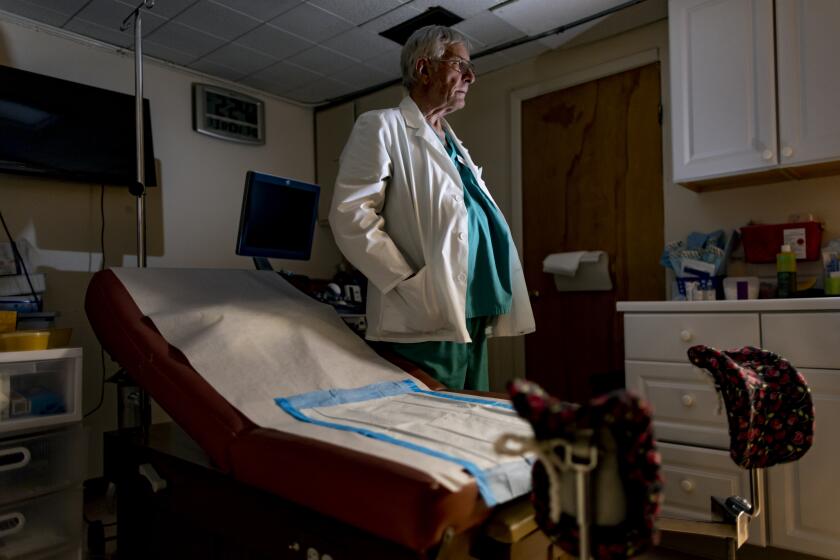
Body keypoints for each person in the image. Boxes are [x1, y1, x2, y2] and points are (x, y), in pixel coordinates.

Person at [329, 25, 534, 391]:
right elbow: (350, 215)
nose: (471, 76)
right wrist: (407, 282)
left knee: (472, 413)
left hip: (471, 309)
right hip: (424, 311)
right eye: (460, 65)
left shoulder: (451, 142)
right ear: (424, 69)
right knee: (431, 418)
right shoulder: (381, 126)